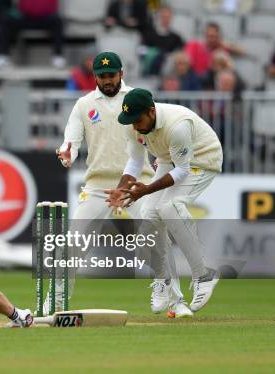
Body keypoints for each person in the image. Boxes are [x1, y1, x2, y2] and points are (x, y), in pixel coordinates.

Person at [55, 52, 192, 318]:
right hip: (97, 185)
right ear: (95, 77)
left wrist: (160, 158)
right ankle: (57, 300)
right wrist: (66, 152)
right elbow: (70, 139)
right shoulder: (84, 105)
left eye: (112, 75)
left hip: (136, 183)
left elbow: (155, 131)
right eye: (102, 76)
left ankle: (176, 301)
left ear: (121, 73)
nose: (108, 81)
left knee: (154, 241)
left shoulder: (136, 99)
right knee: (74, 242)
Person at [105, 88, 223, 313]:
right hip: (171, 159)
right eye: (130, 121)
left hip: (203, 160)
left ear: (151, 111)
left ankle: (204, 275)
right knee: (148, 216)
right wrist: (122, 189)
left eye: (138, 120)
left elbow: (182, 170)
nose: (135, 127)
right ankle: (164, 281)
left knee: (170, 208)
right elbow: (135, 161)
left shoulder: (177, 125)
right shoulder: (134, 125)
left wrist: (146, 189)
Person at [0, 0, 66, 69]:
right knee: (7, 21)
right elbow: (21, 7)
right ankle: (3, 56)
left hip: (45, 18)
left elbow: (52, 8)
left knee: (57, 21)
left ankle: (58, 56)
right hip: (27, 17)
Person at [141, 5, 184, 75]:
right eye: (163, 17)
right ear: (158, 17)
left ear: (171, 18)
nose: (166, 20)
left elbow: (181, 52)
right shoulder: (149, 34)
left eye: (168, 17)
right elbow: (142, 50)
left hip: (169, 69)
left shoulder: (176, 37)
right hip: (151, 66)